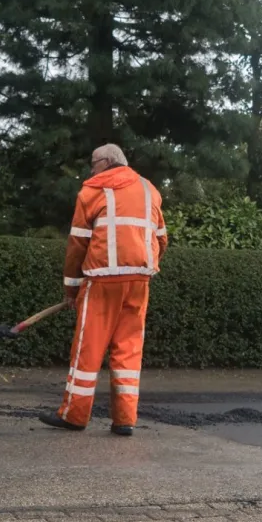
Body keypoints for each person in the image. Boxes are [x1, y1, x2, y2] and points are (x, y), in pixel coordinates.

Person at [39, 144, 167, 437]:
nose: (90, 168)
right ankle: (125, 420)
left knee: (88, 347)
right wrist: (143, 266)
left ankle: (74, 415)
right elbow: (161, 239)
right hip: (139, 281)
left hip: (101, 282)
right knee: (129, 349)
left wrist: (70, 289)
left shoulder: (92, 192)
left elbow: (77, 247)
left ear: (107, 162)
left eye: (93, 162)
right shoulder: (150, 190)